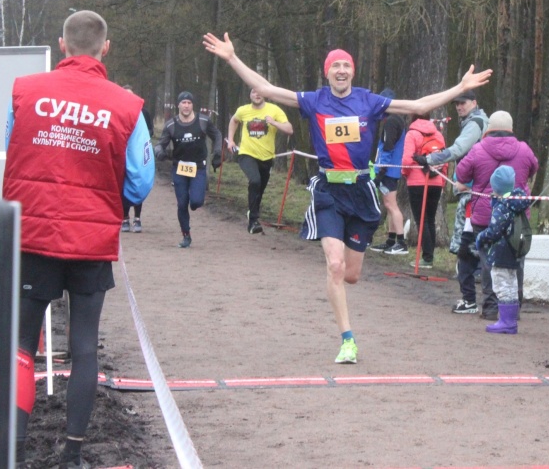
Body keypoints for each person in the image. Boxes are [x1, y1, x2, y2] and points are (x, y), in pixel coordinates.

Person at [202, 32, 491, 364]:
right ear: (327, 72)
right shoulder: (314, 101)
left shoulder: (369, 101)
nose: (341, 70)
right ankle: (347, 340)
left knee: (351, 274)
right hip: (328, 191)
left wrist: (459, 87)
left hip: (361, 192)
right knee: (335, 265)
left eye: (346, 66)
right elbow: (266, 89)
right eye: (335, 66)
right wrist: (232, 58)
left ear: (352, 71)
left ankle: (346, 289)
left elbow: (418, 106)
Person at [3, 10, 155, 468]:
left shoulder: (24, 91)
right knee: (85, 345)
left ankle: (15, 451)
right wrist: (109, 198)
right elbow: (141, 181)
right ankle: (72, 454)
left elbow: (12, 152)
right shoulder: (127, 105)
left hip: (33, 234)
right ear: (105, 48)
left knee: (22, 345)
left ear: (62, 45)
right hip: (91, 238)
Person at [453, 111, 538, 317]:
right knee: (516, 262)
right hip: (517, 218)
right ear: (511, 129)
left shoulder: (478, 149)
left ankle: (491, 307)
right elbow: (533, 168)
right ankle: (513, 309)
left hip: (485, 215)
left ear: (489, 128)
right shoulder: (524, 149)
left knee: (488, 263)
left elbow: (461, 174)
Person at [416, 90, 489, 256]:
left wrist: (429, 159)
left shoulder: (474, 124)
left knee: (467, 232)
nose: (459, 107)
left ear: (474, 103)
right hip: (477, 185)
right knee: (473, 230)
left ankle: (469, 264)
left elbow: (458, 150)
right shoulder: (476, 121)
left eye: (463, 103)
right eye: (457, 103)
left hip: (473, 186)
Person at [156, 91, 223, 247]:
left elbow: (217, 135)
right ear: (178, 105)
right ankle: (186, 235)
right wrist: (159, 152)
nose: (186, 106)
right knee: (182, 204)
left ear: (193, 105)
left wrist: (218, 153)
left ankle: (195, 202)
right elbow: (160, 144)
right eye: (183, 103)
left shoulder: (203, 121)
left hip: (198, 167)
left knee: (196, 202)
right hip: (179, 168)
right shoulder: (171, 125)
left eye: (189, 103)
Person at [474, 165, 533, 334]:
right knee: (511, 285)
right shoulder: (516, 203)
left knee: (501, 285)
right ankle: (510, 319)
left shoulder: (502, 206)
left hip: (501, 252)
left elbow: (494, 230)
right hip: (514, 251)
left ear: (495, 187)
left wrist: (481, 237)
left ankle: (506, 321)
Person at [226, 87, 294, 234]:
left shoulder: (274, 110)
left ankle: (252, 212)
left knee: (260, 190)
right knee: (255, 181)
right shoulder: (243, 110)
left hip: (267, 157)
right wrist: (231, 140)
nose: (257, 95)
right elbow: (234, 121)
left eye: (259, 92)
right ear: (250, 95)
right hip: (247, 154)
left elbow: (289, 129)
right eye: (253, 92)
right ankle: (253, 222)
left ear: (265, 95)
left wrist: (274, 123)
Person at [402, 113, 449, 268]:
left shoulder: (412, 134)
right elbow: (444, 159)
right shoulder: (438, 134)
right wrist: (442, 180)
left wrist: (406, 174)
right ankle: (429, 256)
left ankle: (427, 258)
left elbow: (407, 160)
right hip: (436, 181)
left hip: (417, 182)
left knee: (421, 220)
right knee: (430, 219)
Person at [371, 88, 408, 255]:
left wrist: (381, 171)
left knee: (391, 205)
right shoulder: (397, 120)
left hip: (389, 171)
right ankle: (391, 241)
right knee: (390, 204)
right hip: (392, 170)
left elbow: (388, 148)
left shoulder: (391, 122)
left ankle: (401, 242)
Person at [120, 84, 154, 233]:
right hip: (122, 152)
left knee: (138, 182)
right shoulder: (117, 112)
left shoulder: (143, 113)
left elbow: (150, 130)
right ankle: (125, 218)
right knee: (123, 185)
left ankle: (137, 218)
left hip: (138, 153)